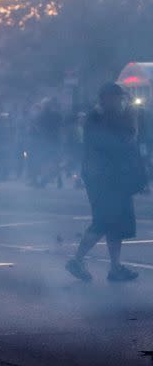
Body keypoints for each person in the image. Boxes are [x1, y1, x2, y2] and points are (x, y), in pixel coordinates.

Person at [66, 83, 141, 282]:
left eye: (121, 98)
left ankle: (115, 268)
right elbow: (121, 142)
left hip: (115, 177)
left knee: (116, 224)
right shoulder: (98, 118)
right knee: (104, 221)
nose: (121, 101)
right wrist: (129, 122)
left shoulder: (108, 116)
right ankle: (77, 259)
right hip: (104, 178)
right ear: (107, 98)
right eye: (117, 98)